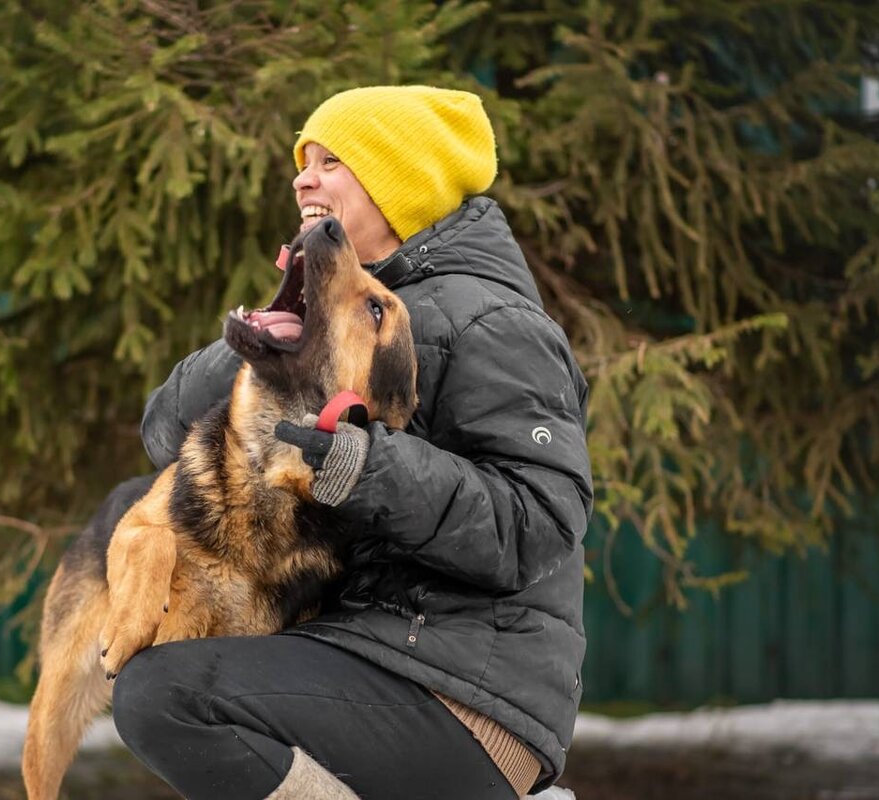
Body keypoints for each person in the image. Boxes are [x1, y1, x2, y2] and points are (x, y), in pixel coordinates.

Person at [109, 85, 593, 800]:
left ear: (401, 184)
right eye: (304, 161)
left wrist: (364, 466)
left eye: (332, 161)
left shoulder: (489, 321)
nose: (303, 177)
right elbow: (164, 431)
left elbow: (539, 524)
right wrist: (278, 320)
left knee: (169, 696)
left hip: (464, 699)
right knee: (164, 667)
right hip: (362, 650)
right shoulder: (335, 311)